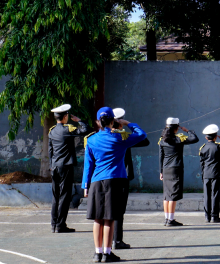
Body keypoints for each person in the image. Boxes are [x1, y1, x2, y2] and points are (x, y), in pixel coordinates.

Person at [82, 107, 147, 263]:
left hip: (96, 182)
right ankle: (107, 253)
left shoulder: (91, 140)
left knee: (98, 219)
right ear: (113, 121)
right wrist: (128, 123)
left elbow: (88, 165)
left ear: (98, 122)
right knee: (109, 219)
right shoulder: (120, 138)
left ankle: (97, 253)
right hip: (115, 180)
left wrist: (86, 185)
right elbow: (142, 135)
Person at [48, 104, 93, 233]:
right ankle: (60, 225)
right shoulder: (68, 129)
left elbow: (50, 151)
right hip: (65, 166)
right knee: (64, 196)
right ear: (65, 116)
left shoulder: (51, 131)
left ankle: (54, 224)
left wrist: (51, 166)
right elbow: (87, 130)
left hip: (54, 167)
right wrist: (79, 121)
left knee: (55, 196)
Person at [111, 108, 150, 249]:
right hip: (122, 175)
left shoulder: (103, 135)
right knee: (119, 210)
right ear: (120, 122)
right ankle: (117, 240)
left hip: (105, 176)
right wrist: (130, 124)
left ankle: (107, 243)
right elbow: (145, 140)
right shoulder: (124, 136)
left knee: (107, 211)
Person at [159, 117, 199, 226]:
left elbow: (161, 157)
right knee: (173, 196)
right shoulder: (178, 139)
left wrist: (161, 171)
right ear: (176, 128)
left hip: (166, 169)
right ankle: (171, 220)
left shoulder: (162, 140)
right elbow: (195, 139)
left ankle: (167, 219)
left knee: (166, 195)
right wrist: (187, 131)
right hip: (175, 169)